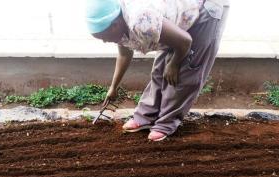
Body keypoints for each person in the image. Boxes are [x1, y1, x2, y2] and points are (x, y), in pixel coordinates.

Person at [86, 0, 230, 141]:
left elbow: (185, 41)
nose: (105, 41)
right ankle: (146, 116)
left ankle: (166, 123)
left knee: (183, 72)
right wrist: (113, 87)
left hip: (205, 9)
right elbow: (124, 54)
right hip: (175, 18)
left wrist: (174, 64)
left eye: (103, 37)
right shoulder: (119, 27)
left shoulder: (142, 23)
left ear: (115, 25)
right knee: (159, 70)